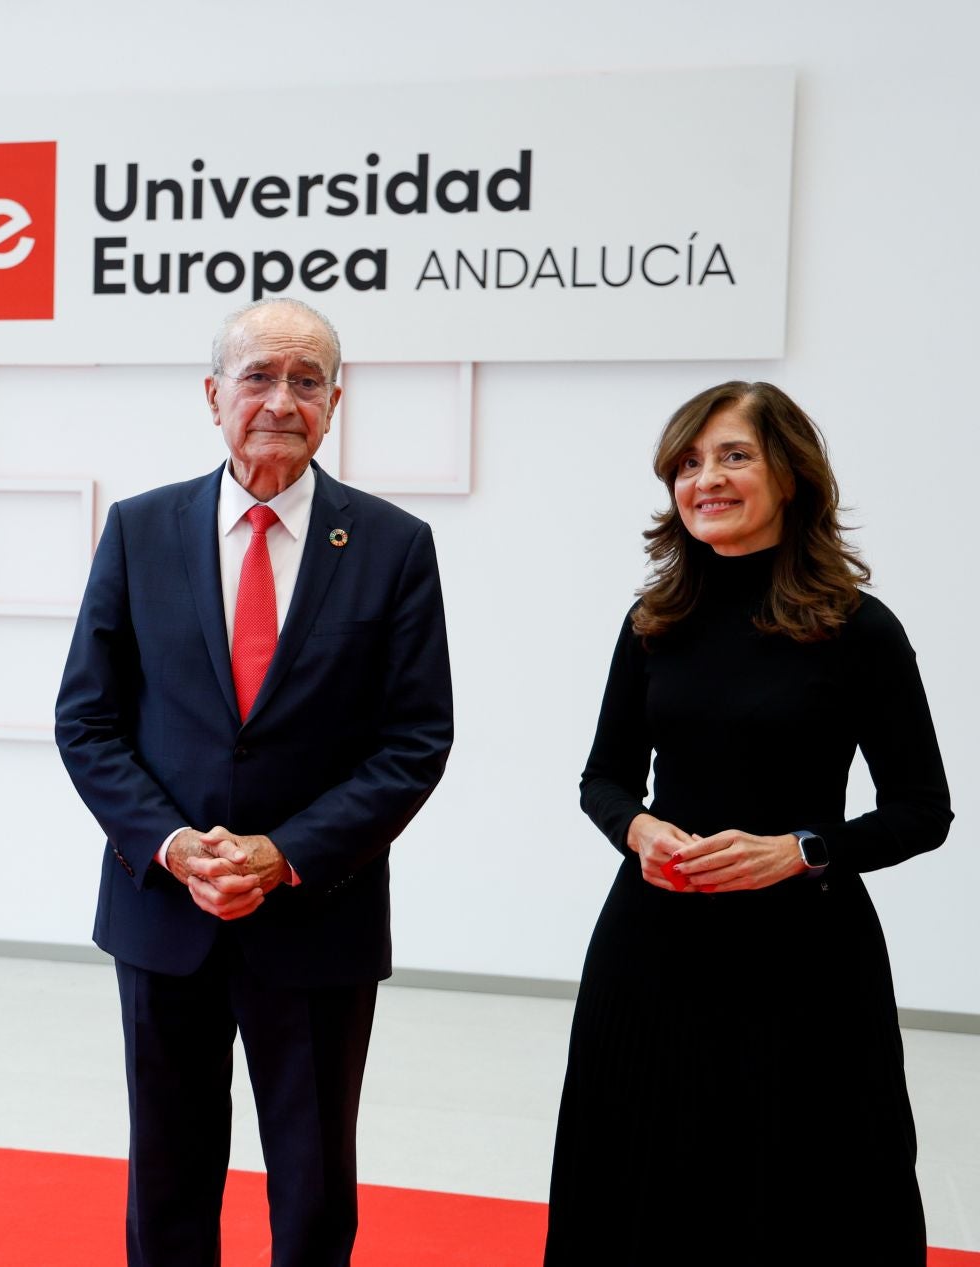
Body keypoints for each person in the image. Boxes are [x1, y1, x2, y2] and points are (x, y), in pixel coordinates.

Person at [55, 298, 454, 1266]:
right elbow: (87, 716)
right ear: (213, 395)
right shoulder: (140, 529)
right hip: (165, 911)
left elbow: (415, 739)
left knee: (314, 1197)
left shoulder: (394, 547)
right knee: (168, 1184)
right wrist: (171, 842)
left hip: (320, 919)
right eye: (259, 376)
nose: (281, 400)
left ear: (335, 401)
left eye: (306, 380)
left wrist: (284, 856)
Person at [545, 381, 953, 1265]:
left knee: (797, 1187)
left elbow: (924, 809)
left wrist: (802, 851)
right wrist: (639, 830)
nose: (706, 479)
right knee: (640, 1178)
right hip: (654, 942)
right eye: (689, 463)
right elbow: (605, 777)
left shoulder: (859, 629)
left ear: (791, 476)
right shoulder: (654, 620)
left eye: (733, 455)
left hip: (805, 956)